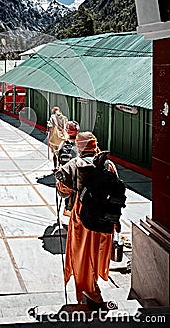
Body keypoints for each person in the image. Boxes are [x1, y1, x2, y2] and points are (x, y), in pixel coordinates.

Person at [54, 131, 120, 309]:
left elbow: (63, 190)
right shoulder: (108, 164)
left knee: (82, 254)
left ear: (80, 146)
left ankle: (89, 289)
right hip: (105, 217)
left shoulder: (76, 163)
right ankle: (94, 284)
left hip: (82, 217)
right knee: (97, 250)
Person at [47, 106, 68, 172]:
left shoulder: (52, 117)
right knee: (61, 152)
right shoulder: (64, 118)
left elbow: (50, 127)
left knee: (54, 153)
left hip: (54, 138)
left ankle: (55, 167)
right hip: (62, 137)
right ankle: (60, 166)